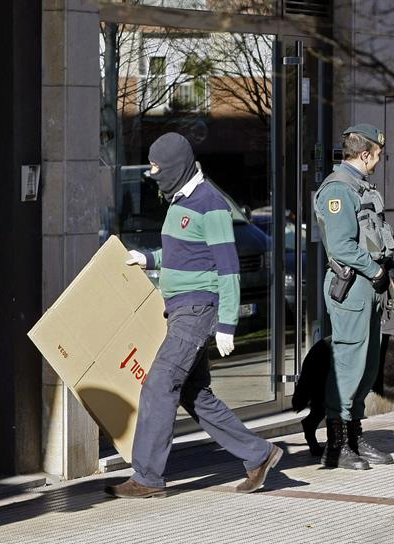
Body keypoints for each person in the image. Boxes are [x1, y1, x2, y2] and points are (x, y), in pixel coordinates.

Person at [106, 132, 282, 499]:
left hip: (197, 310)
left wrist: (227, 325)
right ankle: (259, 455)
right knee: (195, 394)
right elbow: (184, 253)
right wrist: (149, 258)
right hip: (182, 308)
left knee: (159, 383)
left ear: (175, 165)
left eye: (156, 166)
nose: (153, 173)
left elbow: (228, 268)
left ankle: (147, 478)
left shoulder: (210, 204)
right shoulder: (180, 201)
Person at [313, 124, 394, 470]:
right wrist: (375, 271)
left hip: (370, 286)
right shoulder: (338, 190)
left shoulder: (359, 186)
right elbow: (342, 246)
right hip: (353, 287)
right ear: (365, 154)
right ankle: (336, 445)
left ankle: (353, 435)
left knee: (367, 366)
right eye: (377, 153)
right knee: (348, 366)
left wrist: (386, 269)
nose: (379, 159)